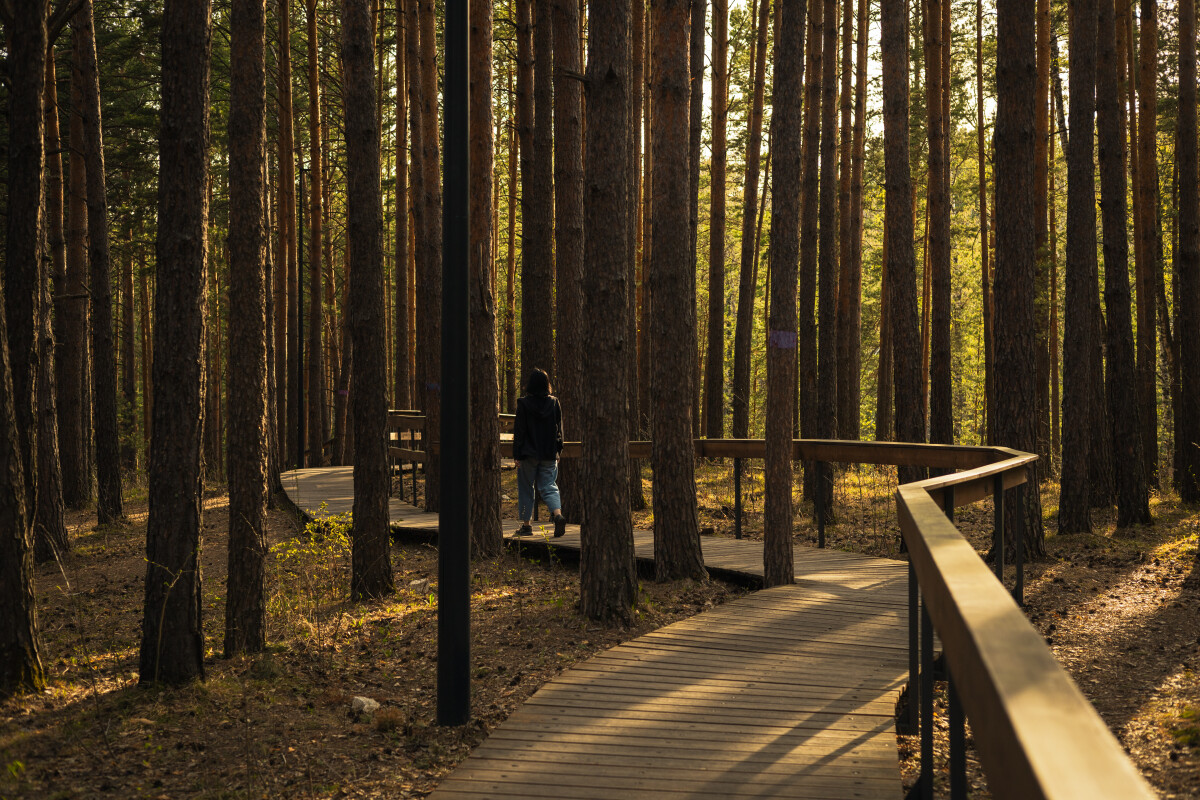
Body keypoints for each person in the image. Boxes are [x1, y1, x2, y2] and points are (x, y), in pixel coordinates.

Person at [512, 368, 566, 537]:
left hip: (528, 454)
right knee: (549, 486)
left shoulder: (523, 403)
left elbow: (519, 431)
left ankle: (527, 526)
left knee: (526, 488)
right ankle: (557, 515)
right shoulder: (554, 402)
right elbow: (559, 429)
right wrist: (558, 450)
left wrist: (517, 454)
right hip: (549, 453)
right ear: (546, 384)